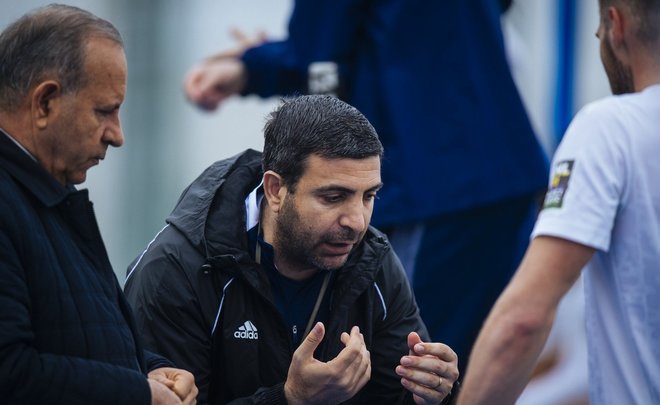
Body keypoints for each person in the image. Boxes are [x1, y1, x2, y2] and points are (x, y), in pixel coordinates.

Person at [181, 0, 548, 374]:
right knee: (463, 373)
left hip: (431, 189)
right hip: (507, 171)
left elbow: (318, 66)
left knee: (408, 371)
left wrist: (252, 66)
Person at [124, 95, 460, 404]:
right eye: (333, 197)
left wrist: (431, 394)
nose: (357, 222)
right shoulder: (175, 271)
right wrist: (290, 398)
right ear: (275, 190)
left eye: (369, 196)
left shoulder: (372, 260)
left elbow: (393, 396)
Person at [457, 0, 660, 403]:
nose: (597, 36)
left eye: (600, 26)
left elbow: (523, 320)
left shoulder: (612, 127)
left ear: (616, 24)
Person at [0, 5, 197, 404]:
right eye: (104, 111)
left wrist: (150, 369)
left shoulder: (50, 200)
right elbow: (10, 373)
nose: (117, 135)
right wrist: (140, 394)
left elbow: (85, 340)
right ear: (45, 103)